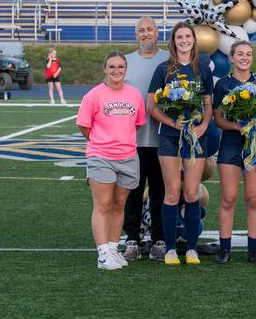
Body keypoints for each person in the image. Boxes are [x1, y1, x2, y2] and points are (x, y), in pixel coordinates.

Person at [147, 22, 214, 266]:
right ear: (173, 41)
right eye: (179, 37)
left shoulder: (202, 69)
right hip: (170, 136)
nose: (184, 40)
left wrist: (204, 126)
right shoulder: (163, 69)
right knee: (173, 192)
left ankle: (192, 249)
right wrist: (174, 124)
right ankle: (171, 249)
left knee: (191, 192)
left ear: (194, 40)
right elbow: (151, 106)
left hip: (196, 136)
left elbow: (208, 104)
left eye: (188, 36)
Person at [77, 51, 147, 270]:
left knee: (119, 205)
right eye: (112, 67)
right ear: (104, 70)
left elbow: (137, 123)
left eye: (120, 67)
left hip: (128, 157)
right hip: (101, 156)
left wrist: (121, 141)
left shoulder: (135, 95)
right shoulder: (93, 95)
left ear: (126, 69)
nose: (116, 71)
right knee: (103, 204)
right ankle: (102, 254)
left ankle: (114, 249)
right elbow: (84, 126)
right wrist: (103, 142)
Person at [212, 40, 256, 264]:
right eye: (240, 54)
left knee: (253, 198)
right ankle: (224, 248)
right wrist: (237, 126)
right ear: (231, 58)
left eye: (249, 54)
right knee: (229, 197)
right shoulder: (223, 84)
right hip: (230, 145)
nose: (245, 58)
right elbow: (218, 119)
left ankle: (253, 250)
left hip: (254, 145)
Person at [121, 17, 169, 262]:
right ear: (135, 35)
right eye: (141, 30)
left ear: (157, 33)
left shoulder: (169, 60)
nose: (146, 34)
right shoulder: (125, 62)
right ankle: (132, 239)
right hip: (133, 141)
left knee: (161, 191)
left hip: (164, 140)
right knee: (134, 192)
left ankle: (160, 238)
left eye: (150, 29)